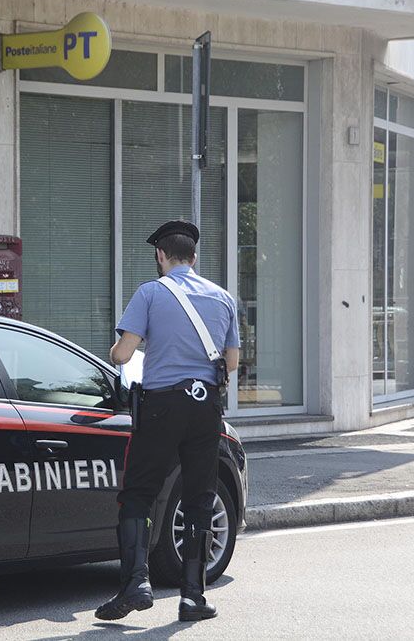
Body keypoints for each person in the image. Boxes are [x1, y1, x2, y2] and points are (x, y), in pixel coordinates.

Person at [95, 220, 240, 623]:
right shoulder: (224, 298)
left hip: (161, 407)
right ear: (195, 257)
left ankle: (135, 584)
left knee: (138, 493)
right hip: (205, 408)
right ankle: (193, 596)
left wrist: (119, 347)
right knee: (198, 497)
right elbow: (230, 363)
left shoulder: (150, 293)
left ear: (161, 256)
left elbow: (123, 355)